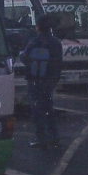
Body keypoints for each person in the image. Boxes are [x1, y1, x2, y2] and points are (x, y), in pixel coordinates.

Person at [20, 14, 63, 149]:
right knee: (48, 107)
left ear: (37, 27)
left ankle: (40, 137)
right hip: (49, 80)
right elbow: (58, 63)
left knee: (36, 109)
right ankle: (54, 136)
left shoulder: (33, 42)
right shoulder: (56, 43)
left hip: (34, 79)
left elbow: (25, 58)